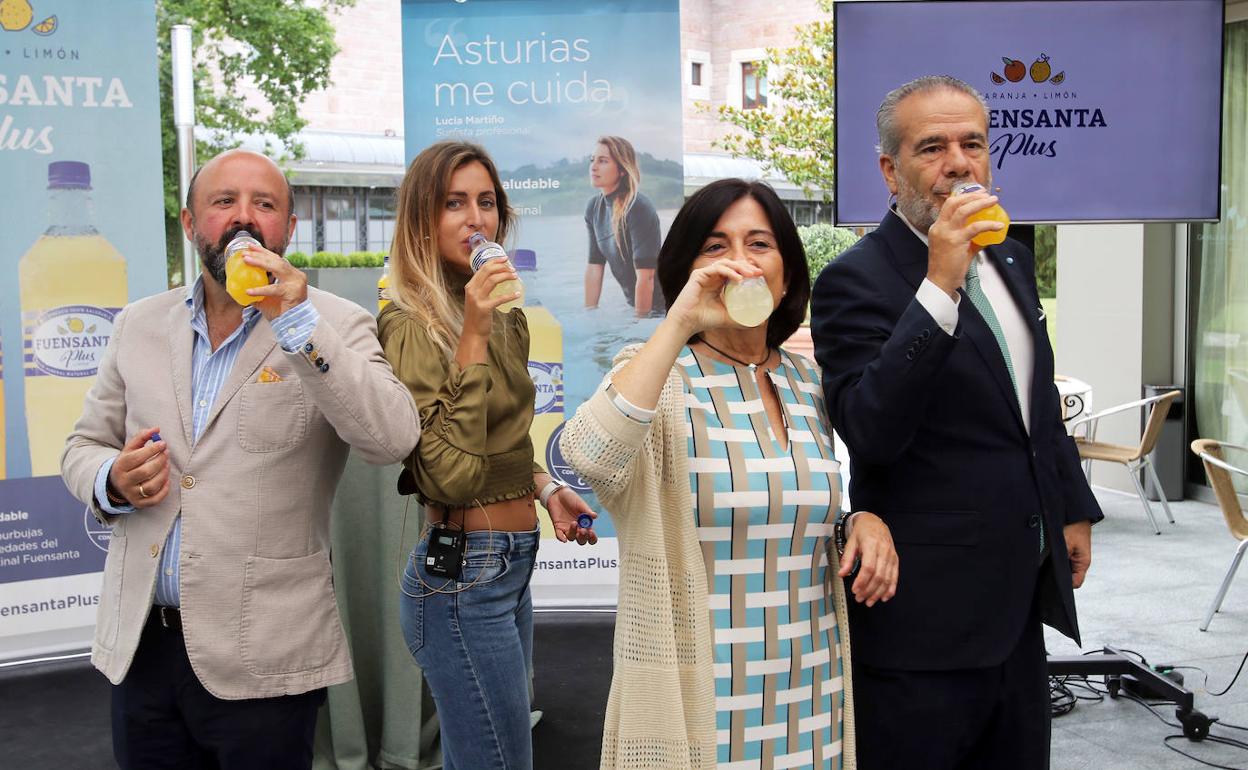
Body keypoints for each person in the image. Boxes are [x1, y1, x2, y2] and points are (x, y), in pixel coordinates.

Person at [59, 149, 421, 769]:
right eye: (224, 202)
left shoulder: (334, 323)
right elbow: (81, 447)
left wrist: (298, 323)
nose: (244, 218)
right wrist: (110, 480)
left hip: (266, 657)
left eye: (265, 204)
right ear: (190, 222)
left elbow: (391, 439)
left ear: (290, 227)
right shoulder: (138, 325)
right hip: (142, 646)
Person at [810, 75, 1104, 769]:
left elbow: (1033, 404)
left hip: (1017, 607)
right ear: (890, 170)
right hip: (924, 626)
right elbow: (871, 427)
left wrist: (1072, 506)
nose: (959, 163)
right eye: (932, 147)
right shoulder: (856, 280)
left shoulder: (1009, 258)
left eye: (972, 143)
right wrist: (938, 285)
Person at [561, 178, 899, 769]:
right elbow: (587, 457)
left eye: (759, 244)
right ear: (687, 267)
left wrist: (860, 521)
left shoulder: (807, 382)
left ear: (787, 272)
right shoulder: (658, 378)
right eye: (715, 246)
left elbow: (797, 513)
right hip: (701, 708)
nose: (739, 262)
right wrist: (678, 321)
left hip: (811, 698)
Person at [378, 140, 598, 770]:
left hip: (509, 568)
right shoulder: (408, 324)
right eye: (454, 203)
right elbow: (446, 473)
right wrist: (470, 331)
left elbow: (501, 441)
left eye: (487, 202)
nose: (476, 219)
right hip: (460, 580)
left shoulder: (508, 316)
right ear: (422, 219)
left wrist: (545, 488)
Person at [584, 135, 665, 317]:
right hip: (636, 306)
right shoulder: (593, 208)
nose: (594, 167)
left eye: (603, 161)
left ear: (621, 169)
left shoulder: (638, 206)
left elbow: (647, 277)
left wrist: (639, 322)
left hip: (663, 309)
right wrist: (589, 315)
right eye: (592, 160)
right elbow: (594, 267)